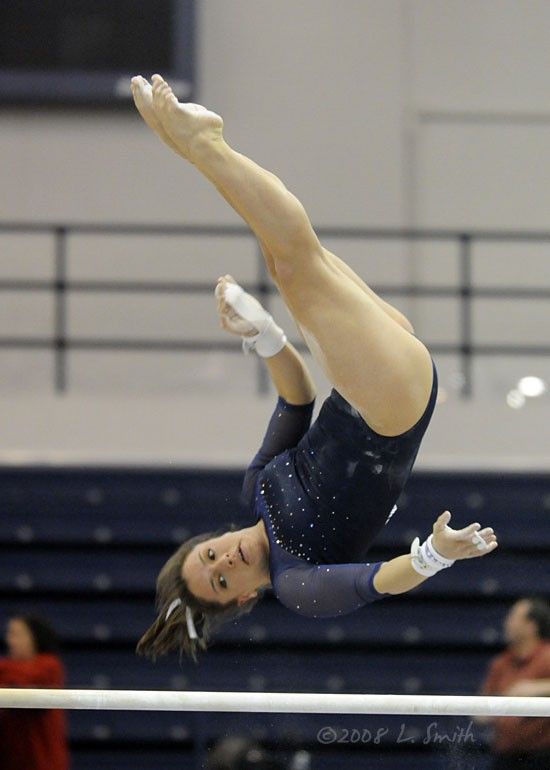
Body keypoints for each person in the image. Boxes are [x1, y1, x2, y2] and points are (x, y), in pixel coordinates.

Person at [132, 74, 498, 662]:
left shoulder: (257, 490)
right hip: (387, 409)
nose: (226, 563)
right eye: (224, 582)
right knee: (295, 265)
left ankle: (200, 147)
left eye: (209, 558)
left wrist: (264, 336)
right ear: (246, 598)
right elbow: (376, 580)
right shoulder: (298, 583)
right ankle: (204, 146)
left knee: (294, 261)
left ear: (208, 541)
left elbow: (296, 400)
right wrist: (435, 554)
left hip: (366, 375)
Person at [477, 596, 550, 769]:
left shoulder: (547, 656)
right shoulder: (500, 663)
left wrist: (537, 688)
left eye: (514, 618)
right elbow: (479, 715)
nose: (507, 622)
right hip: (506, 756)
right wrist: (498, 704)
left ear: (531, 625)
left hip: (543, 755)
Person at [0, 614, 69, 770]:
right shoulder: (6, 667)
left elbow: (23, 681)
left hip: (43, 761)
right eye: (9, 634)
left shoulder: (49, 665)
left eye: (16, 634)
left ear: (34, 637)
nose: (10, 641)